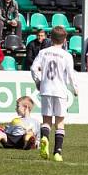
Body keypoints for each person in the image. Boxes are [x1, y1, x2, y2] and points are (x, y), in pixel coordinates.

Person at [31, 25, 78, 162]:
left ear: (50, 38)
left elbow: (34, 68)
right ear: (65, 40)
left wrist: (38, 82)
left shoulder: (43, 52)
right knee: (60, 123)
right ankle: (57, 152)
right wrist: (75, 89)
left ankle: (45, 138)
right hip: (60, 91)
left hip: (46, 89)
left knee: (46, 121)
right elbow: (71, 75)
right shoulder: (67, 55)